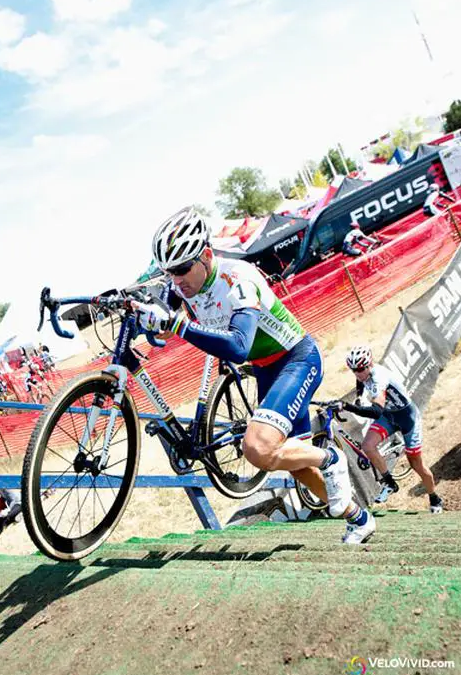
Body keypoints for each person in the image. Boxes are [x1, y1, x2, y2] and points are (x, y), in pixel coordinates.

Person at [130, 206, 376, 544]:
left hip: (297, 359)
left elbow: (238, 348)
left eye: (183, 269)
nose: (176, 279)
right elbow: (166, 312)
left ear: (205, 256)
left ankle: (331, 458)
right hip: (266, 371)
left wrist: (176, 324)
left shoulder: (239, 279)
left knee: (258, 449)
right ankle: (359, 518)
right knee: (293, 463)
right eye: (169, 272)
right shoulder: (186, 285)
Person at [341, 345, 443, 513]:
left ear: (370, 364)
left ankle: (434, 497)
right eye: (353, 370)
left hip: (407, 419)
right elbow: (360, 382)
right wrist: (359, 397)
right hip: (389, 416)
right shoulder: (363, 373)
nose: (358, 373)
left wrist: (347, 406)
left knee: (416, 465)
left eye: (360, 369)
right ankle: (389, 483)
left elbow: (375, 412)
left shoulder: (379, 377)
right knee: (367, 446)